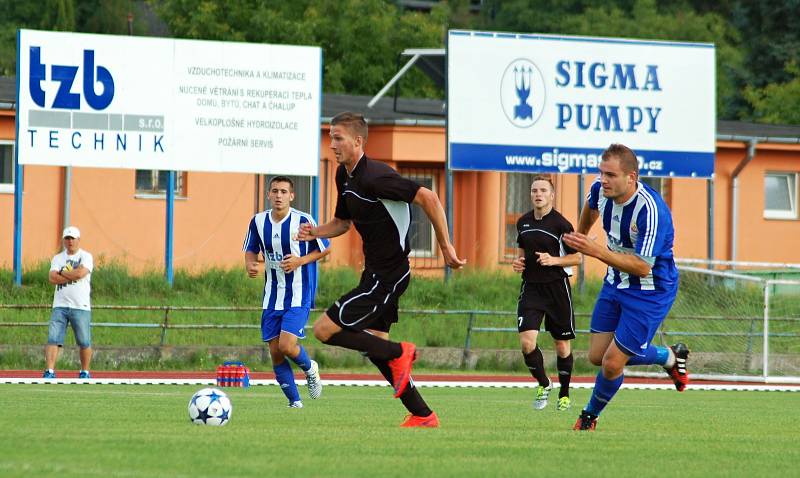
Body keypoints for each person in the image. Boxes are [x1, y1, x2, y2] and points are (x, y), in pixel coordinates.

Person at [298, 111, 466, 428]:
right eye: (330, 137)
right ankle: (423, 414)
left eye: (338, 138)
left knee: (323, 330)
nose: (332, 144)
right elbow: (343, 222)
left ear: (358, 141)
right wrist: (316, 232)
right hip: (376, 272)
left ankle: (401, 351)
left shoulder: (376, 176)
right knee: (375, 345)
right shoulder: (343, 176)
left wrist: (445, 247)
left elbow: (428, 197)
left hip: (388, 274)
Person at [562, 143, 689, 431]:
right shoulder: (600, 190)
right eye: (601, 172)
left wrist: (594, 251)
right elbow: (590, 207)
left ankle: (589, 417)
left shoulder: (651, 209)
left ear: (631, 178)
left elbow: (643, 266)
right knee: (597, 356)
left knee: (611, 363)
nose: (603, 179)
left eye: (611, 175)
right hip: (616, 283)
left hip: (650, 292)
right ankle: (669, 356)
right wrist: (580, 238)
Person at [243, 176, 330, 408]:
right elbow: (250, 249)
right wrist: (250, 264)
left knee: (286, 345)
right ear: (268, 195)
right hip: (272, 296)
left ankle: (310, 368)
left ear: (291, 196)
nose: (279, 195)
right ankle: (295, 402)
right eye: (275, 191)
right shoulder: (258, 222)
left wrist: (300, 260)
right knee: (276, 352)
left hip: (299, 294)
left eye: (283, 191)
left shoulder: (303, 221)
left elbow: (324, 249)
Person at [511, 176, 581, 412]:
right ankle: (544, 383)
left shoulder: (562, 224)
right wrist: (518, 262)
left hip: (557, 289)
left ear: (552, 195)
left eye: (543, 190)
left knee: (562, 345)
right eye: (534, 190)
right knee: (527, 344)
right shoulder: (523, 222)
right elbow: (521, 253)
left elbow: (577, 258)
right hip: (531, 288)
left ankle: (564, 393)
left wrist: (554, 260)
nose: (538, 194)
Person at [44, 226, 94, 379]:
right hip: (60, 305)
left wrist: (62, 273)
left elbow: (80, 273)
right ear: (63, 240)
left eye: (72, 238)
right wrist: (69, 274)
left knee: (84, 340)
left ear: (78, 240)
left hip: (80, 305)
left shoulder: (86, 256)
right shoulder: (57, 258)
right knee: (53, 338)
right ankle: (50, 371)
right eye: (67, 238)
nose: (70, 241)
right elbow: (52, 278)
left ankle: (84, 371)